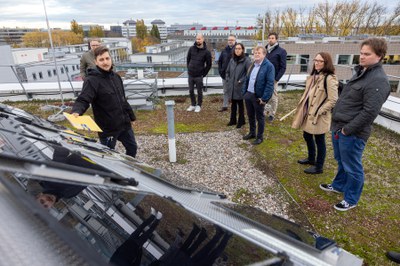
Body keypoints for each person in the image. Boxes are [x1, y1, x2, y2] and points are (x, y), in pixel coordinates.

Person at [320, 38, 391, 211]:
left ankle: (351, 199)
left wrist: (347, 130)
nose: (362, 57)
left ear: (380, 56)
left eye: (367, 54)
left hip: (352, 132)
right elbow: (352, 97)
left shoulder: (378, 80)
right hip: (339, 126)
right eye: (361, 53)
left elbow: (369, 112)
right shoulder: (361, 72)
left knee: (352, 167)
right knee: (341, 161)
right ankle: (338, 185)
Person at [72, 46, 138, 158]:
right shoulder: (92, 80)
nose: (105, 62)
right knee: (108, 156)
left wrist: (132, 117)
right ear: (95, 62)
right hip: (108, 129)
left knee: (132, 148)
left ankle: (128, 169)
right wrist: (77, 111)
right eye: (101, 60)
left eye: (107, 58)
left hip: (124, 125)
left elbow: (123, 100)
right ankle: (111, 173)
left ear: (111, 59)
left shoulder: (116, 77)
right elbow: (84, 99)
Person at [292, 52, 338, 174]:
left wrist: (320, 110)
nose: (317, 63)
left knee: (319, 140)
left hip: (319, 115)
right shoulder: (315, 76)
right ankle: (311, 159)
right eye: (315, 60)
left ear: (326, 63)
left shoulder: (329, 78)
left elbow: (333, 99)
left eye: (320, 61)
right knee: (307, 135)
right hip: (309, 112)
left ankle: (319, 167)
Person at [242, 46, 275, 145]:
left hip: (259, 97)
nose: (256, 54)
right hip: (249, 94)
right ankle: (252, 133)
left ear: (264, 54)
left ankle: (260, 137)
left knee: (259, 117)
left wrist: (264, 98)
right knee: (250, 115)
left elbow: (270, 84)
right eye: (255, 52)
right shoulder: (252, 64)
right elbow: (247, 79)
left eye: (259, 53)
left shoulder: (269, 66)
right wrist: (245, 93)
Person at [225, 43, 251, 128]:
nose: (237, 50)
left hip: (240, 86)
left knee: (240, 105)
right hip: (232, 86)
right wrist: (228, 79)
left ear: (242, 50)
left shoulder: (246, 60)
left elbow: (249, 73)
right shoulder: (232, 60)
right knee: (233, 104)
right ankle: (233, 120)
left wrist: (241, 80)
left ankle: (241, 121)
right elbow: (227, 71)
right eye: (236, 48)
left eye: (239, 48)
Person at [186, 33, 212, 113]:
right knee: (190, 90)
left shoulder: (207, 52)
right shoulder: (191, 49)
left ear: (203, 39)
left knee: (199, 91)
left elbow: (209, 64)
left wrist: (203, 74)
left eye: (199, 39)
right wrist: (189, 69)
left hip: (199, 76)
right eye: (197, 39)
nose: (198, 40)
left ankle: (199, 105)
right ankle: (193, 104)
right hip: (191, 74)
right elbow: (188, 59)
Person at [264, 32, 287, 122]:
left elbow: (283, 67)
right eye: (269, 38)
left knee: (273, 98)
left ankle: (272, 114)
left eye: (273, 38)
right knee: (263, 96)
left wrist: (276, 79)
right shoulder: (265, 50)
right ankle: (264, 111)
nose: (271, 39)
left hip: (273, 78)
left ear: (276, 39)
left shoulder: (281, 51)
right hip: (263, 77)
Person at [218, 35, 236, 112]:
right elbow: (220, 62)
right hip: (225, 74)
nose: (230, 41)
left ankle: (234, 107)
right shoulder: (224, 51)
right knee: (225, 90)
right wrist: (221, 71)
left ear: (235, 40)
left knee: (234, 91)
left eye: (232, 40)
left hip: (235, 75)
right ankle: (225, 106)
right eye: (229, 40)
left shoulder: (238, 50)